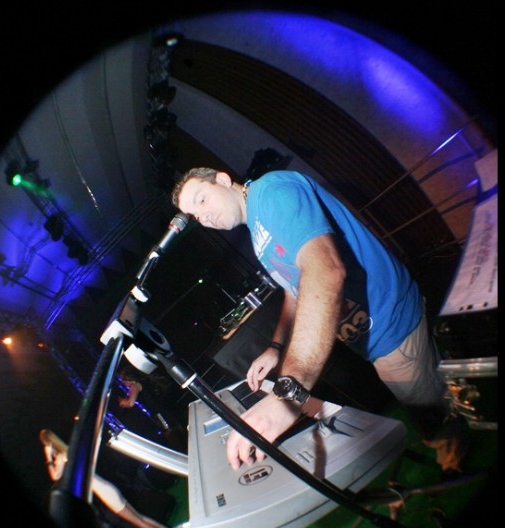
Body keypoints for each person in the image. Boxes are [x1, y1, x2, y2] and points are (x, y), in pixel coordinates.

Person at [172, 167, 468, 475]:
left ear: (222, 180)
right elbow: (296, 289)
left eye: (202, 200)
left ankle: (454, 464)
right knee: (422, 396)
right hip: (369, 334)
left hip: (389, 320)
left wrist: (289, 393)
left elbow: (324, 271)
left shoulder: (272, 193)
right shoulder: (258, 228)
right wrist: (276, 346)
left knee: (429, 412)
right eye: (195, 215)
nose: (203, 216)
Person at [39, 429, 170, 528]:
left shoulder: (61, 457)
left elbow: (55, 476)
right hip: (107, 489)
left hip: (106, 493)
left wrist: (47, 455)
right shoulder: (67, 453)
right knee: (140, 518)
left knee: (138, 522)